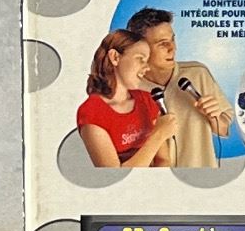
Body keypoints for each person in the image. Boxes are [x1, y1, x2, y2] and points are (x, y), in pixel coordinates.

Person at [125, 6, 232, 169]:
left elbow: (223, 130)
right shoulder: (127, 90)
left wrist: (214, 116)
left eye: (172, 39)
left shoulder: (198, 74)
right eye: (162, 44)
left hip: (200, 178)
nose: (172, 48)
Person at [76, 30, 177, 168]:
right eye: (140, 59)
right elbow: (115, 176)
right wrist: (158, 135)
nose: (147, 68)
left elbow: (163, 160)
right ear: (115, 57)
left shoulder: (147, 100)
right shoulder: (92, 113)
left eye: (147, 61)